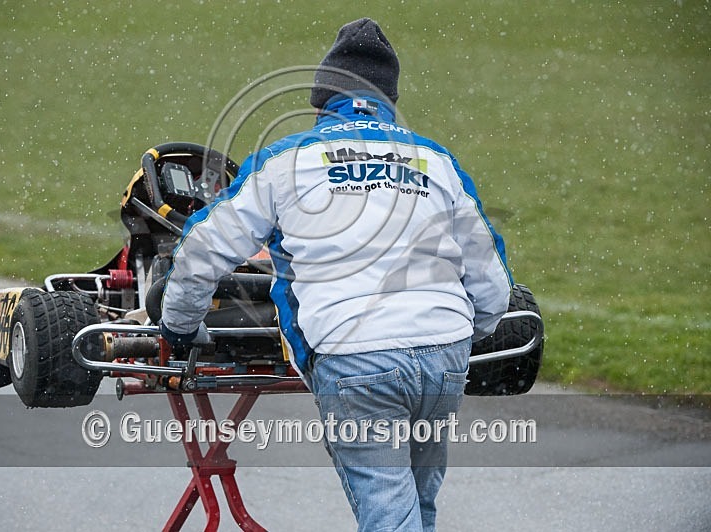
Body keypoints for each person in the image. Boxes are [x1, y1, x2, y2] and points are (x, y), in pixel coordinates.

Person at [160, 18, 513, 531]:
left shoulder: (285, 160)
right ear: (388, 99)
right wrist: (459, 335)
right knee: (419, 508)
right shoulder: (438, 162)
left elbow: (200, 252)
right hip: (445, 356)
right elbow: (493, 284)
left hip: (355, 359)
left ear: (322, 100)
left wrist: (181, 325)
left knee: (390, 515)